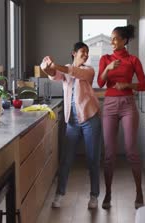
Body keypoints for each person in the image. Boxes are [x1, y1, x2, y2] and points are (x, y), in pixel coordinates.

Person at [41, 42, 102, 209]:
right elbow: (54, 74)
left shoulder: (88, 70)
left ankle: (94, 196)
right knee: (66, 160)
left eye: (87, 53)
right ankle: (60, 194)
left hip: (91, 120)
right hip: (72, 122)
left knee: (92, 160)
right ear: (74, 53)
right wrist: (47, 66)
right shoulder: (65, 69)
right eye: (83, 52)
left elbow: (73, 72)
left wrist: (57, 67)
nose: (86, 55)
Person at [97, 25, 145, 209]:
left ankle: (139, 192)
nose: (112, 42)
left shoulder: (133, 60)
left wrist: (127, 85)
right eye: (111, 38)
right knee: (109, 153)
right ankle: (108, 194)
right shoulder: (105, 59)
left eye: (116, 39)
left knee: (131, 150)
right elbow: (101, 82)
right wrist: (108, 68)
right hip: (109, 105)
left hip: (128, 105)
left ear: (125, 40)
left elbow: (143, 85)